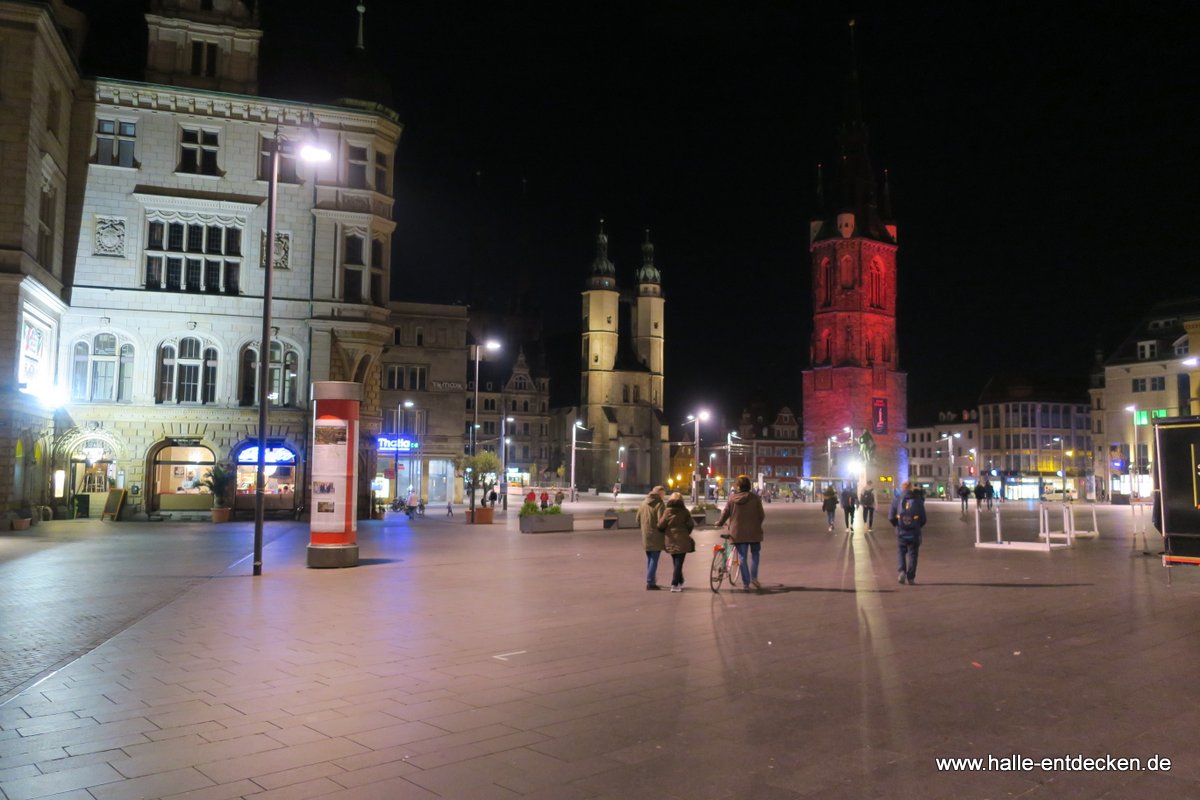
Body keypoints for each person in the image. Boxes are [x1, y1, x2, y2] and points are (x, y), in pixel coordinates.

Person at [717, 474, 766, 591]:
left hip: (738, 533)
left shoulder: (732, 499)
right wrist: (756, 524)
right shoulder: (755, 498)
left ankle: (746, 583)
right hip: (754, 532)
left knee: (742, 557)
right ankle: (754, 577)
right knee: (755, 555)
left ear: (738, 486)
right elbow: (762, 515)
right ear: (749, 486)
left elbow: (725, 513)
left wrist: (719, 523)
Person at [889, 480, 927, 585]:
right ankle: (911, 577)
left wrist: (897, 525)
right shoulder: (918, 500)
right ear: (911, 488)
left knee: (901, 551)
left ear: (902, 488)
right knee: (913, 554)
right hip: (914, 532)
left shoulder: (897, 499)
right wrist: (917, 526)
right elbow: (923, 519)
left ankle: (902, 572)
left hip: (901, 531)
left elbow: (891, 517)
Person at [658, 492, 696, 592]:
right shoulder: (685, 511)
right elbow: (690, 525)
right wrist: (686, 532)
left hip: (670, 539)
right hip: (682, 539)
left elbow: (661, 525)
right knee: (679, 562)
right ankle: (674, 584)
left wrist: (665, 531)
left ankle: (679, 580)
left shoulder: (667, 511)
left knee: (676, 561)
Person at [637, 486, 667, 590]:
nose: (664, 496)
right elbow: (661, 521)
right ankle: (650, 582)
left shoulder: (643, 503)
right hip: (656, 536)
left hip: (646, 535)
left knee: (650, 559)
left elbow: (637, 519)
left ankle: (652, 580)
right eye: (663, 494)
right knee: (654, 559)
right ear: (660, 494)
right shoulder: (659, 504)